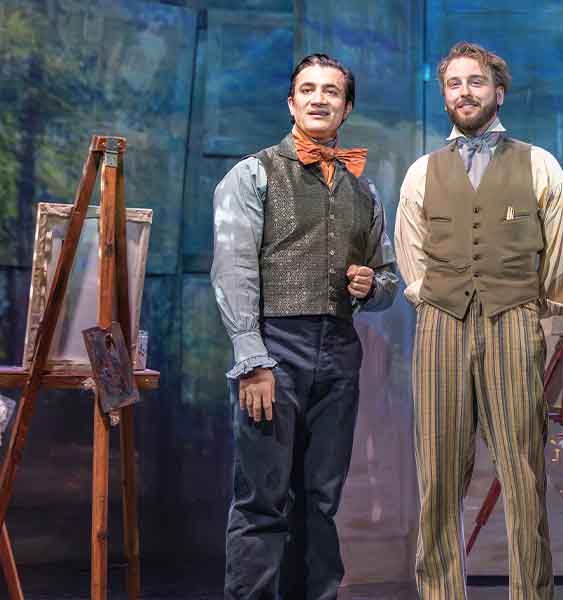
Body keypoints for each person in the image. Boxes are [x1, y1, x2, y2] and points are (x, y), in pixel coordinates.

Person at [394, 41, 563, 600]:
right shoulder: (422, 172)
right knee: (439, 478)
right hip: (442, 327)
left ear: (497, 91)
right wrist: (437, 300)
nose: (464, 93)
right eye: (454, 83)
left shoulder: (538, 162)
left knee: (523, 475)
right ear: (445, 94)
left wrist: (532, 305)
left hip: (512, 323)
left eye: (475, 82)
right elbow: (412, 254)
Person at [211, 53, 399, 599]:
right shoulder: (252, 174)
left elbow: (388, 280)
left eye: (332, 91)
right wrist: (253, 360)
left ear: (346, 106)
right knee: (263, 499)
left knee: (320, 501)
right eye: (309, 89)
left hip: (338, 351)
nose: (320, 98)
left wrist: (371, 286)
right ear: (291, 102)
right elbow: (233, 270)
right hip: (274, 347)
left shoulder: (364, 192)